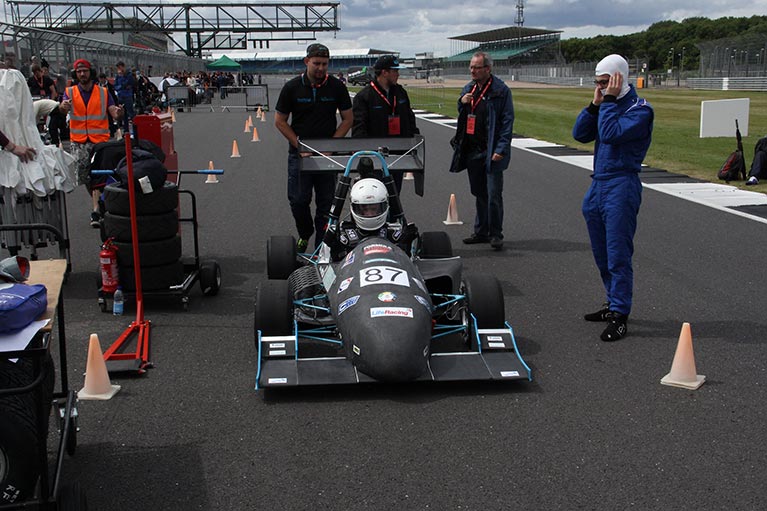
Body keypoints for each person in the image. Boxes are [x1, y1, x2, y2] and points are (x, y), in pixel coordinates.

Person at [572, 54, 654, 342]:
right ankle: (611, 301)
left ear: (620, 78)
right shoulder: (606, 104)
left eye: (605, 82)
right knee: (601, 252)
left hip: (622, 183)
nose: (602, 87)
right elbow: (580, 134)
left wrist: (608, 103)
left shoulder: (640, 110)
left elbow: (608, 134)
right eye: (598, 83)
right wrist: (594, 105)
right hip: (599, 184)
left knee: (619, 254)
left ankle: (620, 314)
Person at [274, 43, 353, 252]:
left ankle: (320, 250)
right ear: (306, 61)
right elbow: (280, 121)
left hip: (327, 156)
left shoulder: (337, 86)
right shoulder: (292, 87)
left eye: (325, 64)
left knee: (327, 205)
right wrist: (299, 145)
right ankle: (305, 232)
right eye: (316, 63)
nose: (320, 68)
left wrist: (332, 146)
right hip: (300, 154)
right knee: (298, 200)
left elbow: (348, 119)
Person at [449, 52, 514, 251]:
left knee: (494, 193)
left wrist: (501, 149)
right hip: (472, 150)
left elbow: (507, 122)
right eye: (471, 67)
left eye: (476, 67)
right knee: (479, 193)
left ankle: (496, 234)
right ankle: (481, 231)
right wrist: (462, 102)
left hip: (491, 150)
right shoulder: (468, 88)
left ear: (487, 69)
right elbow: (461, 113)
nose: (472, 71)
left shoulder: (501, 91)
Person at [58, 59, 124, 227]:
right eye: (79, 72)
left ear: (90, 73)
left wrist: (118, 113)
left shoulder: (102, 92)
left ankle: (96, 209)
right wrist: (63, 106)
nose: (82, 74)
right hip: (79, 142)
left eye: (85, 71)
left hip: (100, 142)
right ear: (75, 74)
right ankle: (100, 202)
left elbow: (113, 112)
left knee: (98, 176)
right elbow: (63, 109)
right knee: (86, 178)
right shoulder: (70, 92)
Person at [352, 55, 419, 193]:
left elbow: (410, 120)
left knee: (394, 196)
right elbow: (359, 128)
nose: (398, 74)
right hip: (374, 158)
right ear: (384, 72)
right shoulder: (364, 96)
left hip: (398, 155)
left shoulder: (400, 93)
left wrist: (415, 143)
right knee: (376, 198)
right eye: (395, 70)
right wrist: (365, 157)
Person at [325, 178, 417, 261]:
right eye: (365, 210)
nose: (369, 214)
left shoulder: (395, 234)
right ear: (354, 208)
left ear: (384, 207)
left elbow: (407, 261)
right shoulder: (343, 234)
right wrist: (331, 243)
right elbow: (329, 263)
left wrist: (406, 244)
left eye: (374, 209)